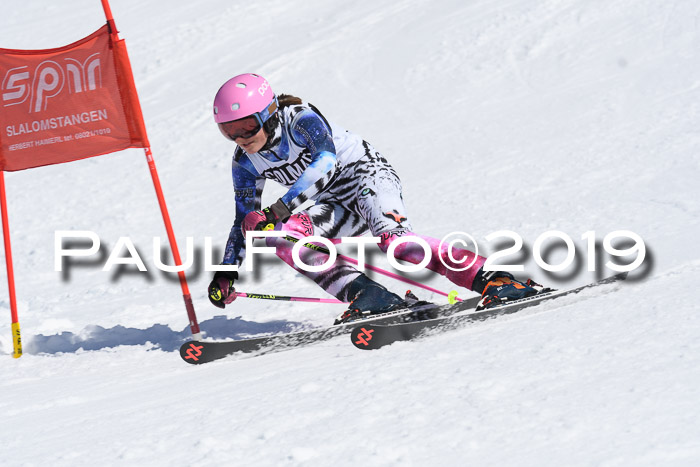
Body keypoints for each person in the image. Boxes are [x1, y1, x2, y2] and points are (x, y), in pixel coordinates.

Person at [207, 73, 545, 323]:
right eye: (228, 131)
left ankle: (497, 279)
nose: (240, 138)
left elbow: (325, 163)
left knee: (398, 245)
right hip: (334, 204)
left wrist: (277, 209)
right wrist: (226, 272)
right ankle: (369, 295)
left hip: (368, 177)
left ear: (268, 113)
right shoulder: (244, 163)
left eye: (247, 126)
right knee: (278, 237)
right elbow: (244, 220)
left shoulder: (300, 120)